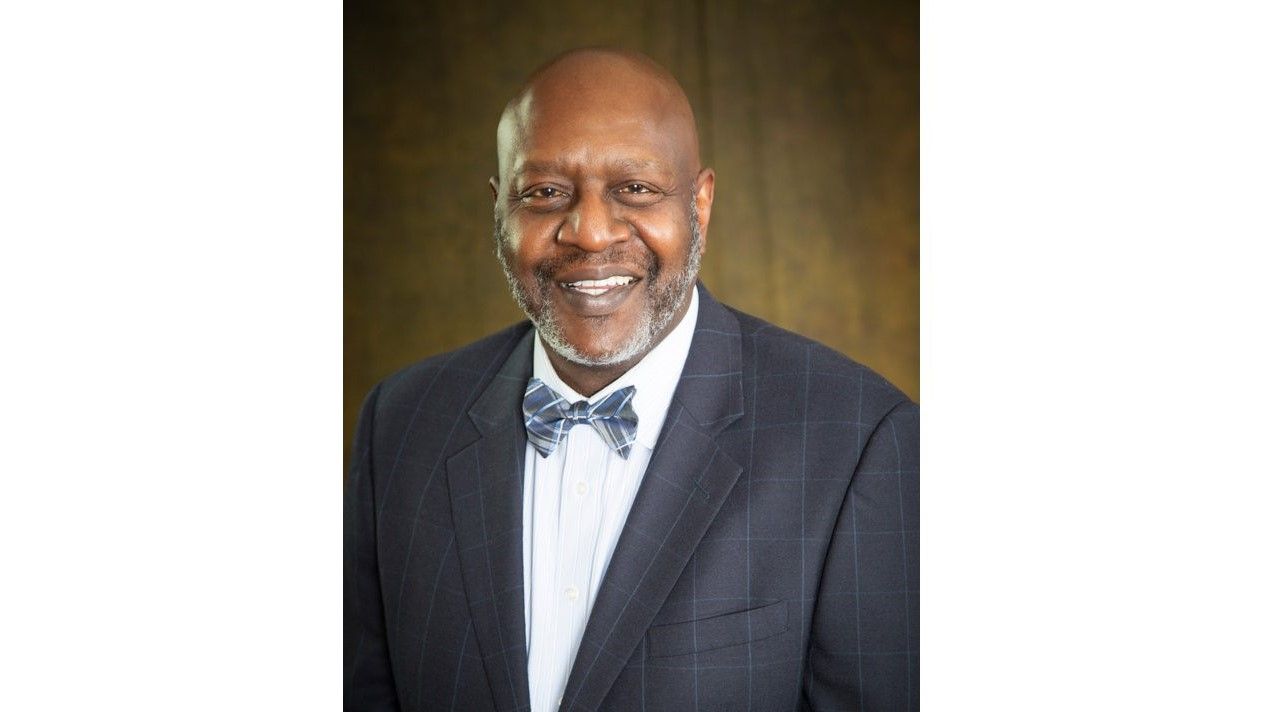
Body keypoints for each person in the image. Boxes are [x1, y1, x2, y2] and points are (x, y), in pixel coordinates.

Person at [346, 47, 919, 711]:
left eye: (635, 189)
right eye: (544, 193)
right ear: (499, 210)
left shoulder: (859, 441)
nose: (590, 234)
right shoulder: (401, 423)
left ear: (700, 204)